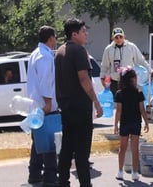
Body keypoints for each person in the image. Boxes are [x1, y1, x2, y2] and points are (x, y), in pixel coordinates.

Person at [55, 17, 103, 187]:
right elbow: (84, 79)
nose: (86, 33)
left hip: (66, 107)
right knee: (82, 152)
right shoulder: (79, 50)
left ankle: (63, 182)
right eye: (83, 31)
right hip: (80, 107)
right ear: (74, 34)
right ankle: (85, 183)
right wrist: (96, 102)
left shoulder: (60, 51)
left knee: (67, 148)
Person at [26, 26, 59, 186]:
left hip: (35, 106)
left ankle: (34, 173)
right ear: (50, 38)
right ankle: (50, 177)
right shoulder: (45, 56)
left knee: (38, 142)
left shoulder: (35, 53)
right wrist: (48, 103)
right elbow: (45, 82)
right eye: (55, 37)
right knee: (49, 143)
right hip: (45, 106)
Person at [114, 66, 149, 181]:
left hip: (124, 122)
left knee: (122, 148)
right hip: (136, 122)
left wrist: (115, 125)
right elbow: (142, 109)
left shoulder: (119, 93)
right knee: (135, 149)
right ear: (133, 79)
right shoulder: (138, 92)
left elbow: (118, 111)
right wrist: (146, 122)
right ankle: (134, 172)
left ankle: (120, 171)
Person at [100, 27, 150, 96]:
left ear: (124, 37)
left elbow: (141, 61)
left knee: (129, 103)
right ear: (112, 38)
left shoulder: (131, 47)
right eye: (116, 37)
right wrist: (102, 77)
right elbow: (105, 66)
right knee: (117, 105)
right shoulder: (108, 49)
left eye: (120, 36)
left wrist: (150, 70)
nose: (119, 39)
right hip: (115, 82)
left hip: (129, 81)